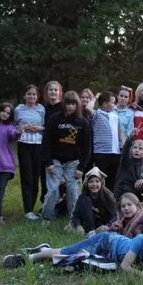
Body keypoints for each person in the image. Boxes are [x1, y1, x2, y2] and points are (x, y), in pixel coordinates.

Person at [2, 224, 143, 282]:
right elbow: (125, 267)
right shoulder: (142, 240)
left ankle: (43, 251)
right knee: (65, 252)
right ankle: (28, 257)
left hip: (108, 258)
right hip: (104, 242)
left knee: (74, 261)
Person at [41, 91, 91, 223]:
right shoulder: (54, 119)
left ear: (77, 105)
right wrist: (49, 162)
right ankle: (46, 217)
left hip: (73, 162)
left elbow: (87, 148)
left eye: (73, 104)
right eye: (68, 103)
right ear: (64, 104)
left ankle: (74, 220)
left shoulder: (83, 122)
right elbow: (45, 142)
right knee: (52, 190)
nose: (70, 107)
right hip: (55, 160)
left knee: (73, 190)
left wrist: (82, 167)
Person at [14, 84, 45, 221]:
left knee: (35, 176)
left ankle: (32, 207)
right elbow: (14, 127)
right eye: (29, 94)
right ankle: (27, 210)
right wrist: (21, 128)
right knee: (26, 176)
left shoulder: (41, 109)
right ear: (24, 96)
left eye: (34, 94)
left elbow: (45, 127)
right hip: (24, 145)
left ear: (37, 96)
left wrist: (38, 128)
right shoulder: (18, 109)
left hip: (38, 145)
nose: (32, 96)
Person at [0, 102, 21, 225]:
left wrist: (18, 132)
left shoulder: (10, 128)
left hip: (6, 164)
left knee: (0, 188)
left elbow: (13, 135)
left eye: (8, 113)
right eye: (3, 111)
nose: (5, 114)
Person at [68, 167, 117, 236]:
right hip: (88, 225)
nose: (94, 184)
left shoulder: (108, 196)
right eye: (91, 182)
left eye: (97, 181)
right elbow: (76, 215)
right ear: (87, 184)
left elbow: (115, 216)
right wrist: (78, 225)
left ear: (101, 183)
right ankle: (89, 230)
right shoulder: (82, 197)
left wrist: (107, 226)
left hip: (103, 225)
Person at [87, 91, 120, 191]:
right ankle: (100, 201)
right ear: (105, 103)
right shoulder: (97, 114)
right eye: (113, 102)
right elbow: (88, 108)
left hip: (115, 152)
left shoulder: (115, 116)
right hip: (101, 153)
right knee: (101, 179)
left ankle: (110, 202)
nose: (115, 105)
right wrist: (96, 97)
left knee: (113, 180)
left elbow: (118, 133)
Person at [113, 135, 143, 201]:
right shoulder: (126, 160)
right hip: (124, 193)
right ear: (131, 150)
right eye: (135, 148)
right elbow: (125, 149)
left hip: (138, 194)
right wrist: (131, 137)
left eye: (140, 149)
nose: (137, 150)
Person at [40, 80, 64, 209]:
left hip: (60, 147)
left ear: (60, 92)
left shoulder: (64, 108)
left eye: (56, 90)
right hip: (45, 146)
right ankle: (46, 205)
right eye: (50, 90)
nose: (53, 92)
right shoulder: (43, 108)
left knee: (60, 180)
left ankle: (59, 205)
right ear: (46, 93)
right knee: (46, 179)